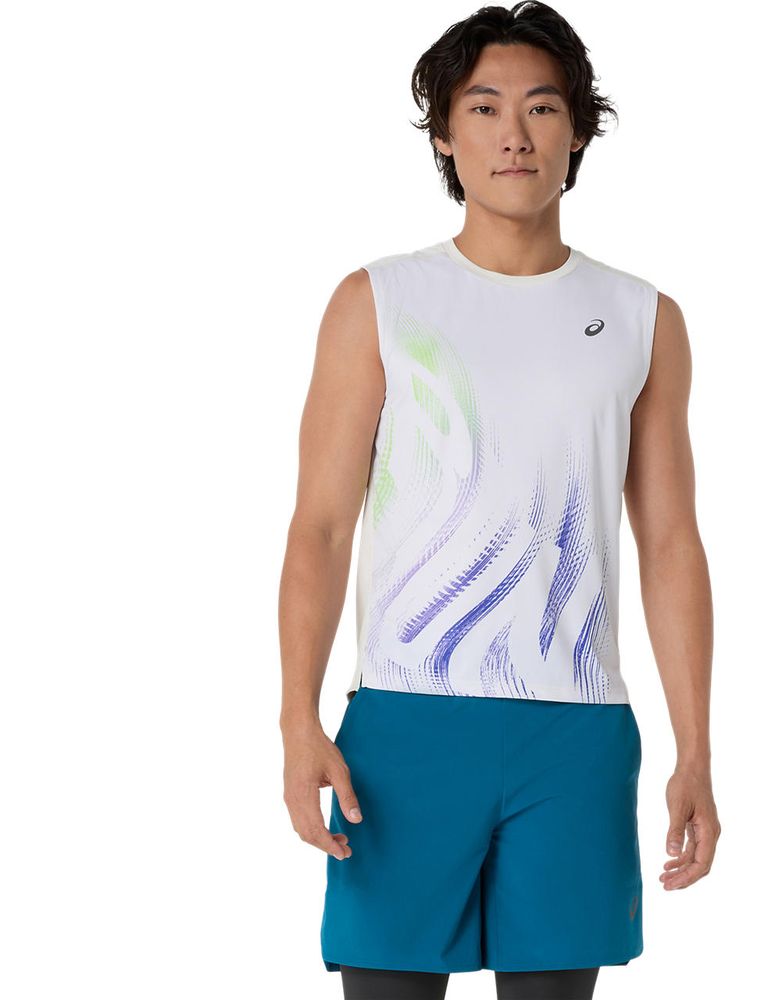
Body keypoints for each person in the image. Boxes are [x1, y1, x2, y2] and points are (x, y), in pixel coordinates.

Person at [278, 3, 720, 997]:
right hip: (406, 725)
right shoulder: (379, 301)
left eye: (541, 107)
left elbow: (670, 541)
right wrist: (297, 718)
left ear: (578, 130)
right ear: (444, 134)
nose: (513, 134)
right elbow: (321, 527)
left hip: (576, 728)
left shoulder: (643, 317)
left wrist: (695, 748)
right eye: (482, 108)